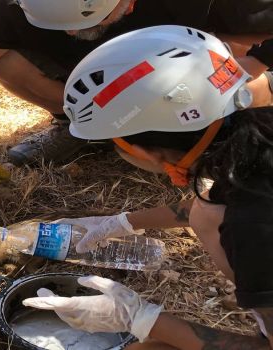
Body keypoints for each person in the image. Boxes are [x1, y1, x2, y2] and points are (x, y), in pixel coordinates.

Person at [23, 26, 273, 349]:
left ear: (144, 151)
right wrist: (122, 222)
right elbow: (212, 205)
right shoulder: (255, 141)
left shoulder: (253, 229)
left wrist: (141, 318)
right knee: (206, 213)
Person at [0, 0, 273, 186]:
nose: (71, 31)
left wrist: (253, 62)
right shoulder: (10, 8)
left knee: (241, 65)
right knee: (4, 61)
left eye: (85, 23)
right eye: (61, 24)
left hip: (178, 72)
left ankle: (219, 140)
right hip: (96, 81)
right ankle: (80, 128)